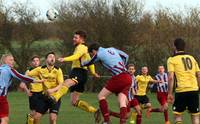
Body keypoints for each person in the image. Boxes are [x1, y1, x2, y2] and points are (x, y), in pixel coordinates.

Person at [49, 30, 100, 121]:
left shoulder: (81, 47)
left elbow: (76, 57)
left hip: (79, 72)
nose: (73, 39)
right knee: (74, 101)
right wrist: (93, 73)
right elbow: (90, 62)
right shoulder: (85, 49)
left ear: (82, 39)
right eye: (74, 37)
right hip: (83, 74)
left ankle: (55, 97)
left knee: (67, 83)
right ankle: (95, 111)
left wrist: (64, 59)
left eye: (76, 38)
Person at [81, 43, 131, 124]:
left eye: (92, 54)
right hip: (128, 76)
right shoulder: (112, 49)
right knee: (122, 100)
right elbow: (126, 56)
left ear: (94, 50)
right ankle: (122, 122)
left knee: (101, 96)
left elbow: (89, 62)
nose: (92, 55)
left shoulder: (99, 54)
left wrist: (81, 62)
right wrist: (122, 66)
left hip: (119, 77)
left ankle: (107, 121)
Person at [0, 54, 43, 124]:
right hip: (1, 97)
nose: (13, 61)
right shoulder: (9, 69)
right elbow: (21, 77)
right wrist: (37, 80)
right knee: (4, 119)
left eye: (13, 60)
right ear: (5, 61)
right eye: (11, 60)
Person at [167, 38, 200, 124]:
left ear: (174, 47)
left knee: (178, 116)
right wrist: (198, 89)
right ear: (184, 47)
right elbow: (198, 75)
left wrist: (169, 93)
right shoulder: (192, 58)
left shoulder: (172, 59)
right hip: (194, 90)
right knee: (195, 116)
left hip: (181, 91)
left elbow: (170, 78)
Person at [27, 52, 64, 124]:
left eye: (53, 57)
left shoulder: (58, 70)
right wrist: (36, 81)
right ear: (46, 59)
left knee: (52, 119)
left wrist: (52, 90)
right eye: (50, 57)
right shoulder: (40, 69)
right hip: (44, 97)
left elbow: (61, 84)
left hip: (55, 97)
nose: (52, 58)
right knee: (36, 117)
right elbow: (27, 75)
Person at [19, 55, 42, 124]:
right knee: (35, 113)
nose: (36, 62)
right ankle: (30, 119)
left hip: (43, 93)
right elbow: (22, 84)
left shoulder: (43, 70)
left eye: (37, 61)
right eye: (34, 61)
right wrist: (27, 91)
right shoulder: (28, 71)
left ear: (39, 62)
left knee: (45, 110)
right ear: (31, 63)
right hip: (33, 94)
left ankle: (30, 118)